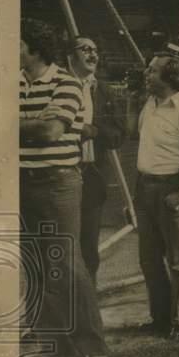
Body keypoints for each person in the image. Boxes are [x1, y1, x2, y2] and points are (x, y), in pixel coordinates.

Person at [19, 18, 109, 357]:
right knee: (36, 265)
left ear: (35, 49)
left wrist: (8, 123)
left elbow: (50, 132)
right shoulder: (10, 82)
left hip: (58, 183)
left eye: (18, 45)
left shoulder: (67, 83)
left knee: (67, 262)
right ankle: (52, 344)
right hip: (23, 182)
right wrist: (29, 124)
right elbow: (36, 128)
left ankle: (91, 345)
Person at [128, 51, 179, 338]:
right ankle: (160, 317)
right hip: (145, 186)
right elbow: (134, 136)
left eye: (152, 70)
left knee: (178, 258)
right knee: (149, 259)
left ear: (169, 77)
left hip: (170, 188)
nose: (146, 74)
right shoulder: (149, 104)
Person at [66, 35, 126, 285]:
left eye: (96, 49)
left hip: (92, 175)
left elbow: (120, 133)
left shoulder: (103, 90)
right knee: (62, 240)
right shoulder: (59, 83)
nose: (93, 55)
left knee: (89, 242)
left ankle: (87, 301)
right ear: (70, 56)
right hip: (62, 172)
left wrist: (95, 131)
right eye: (86, 49)